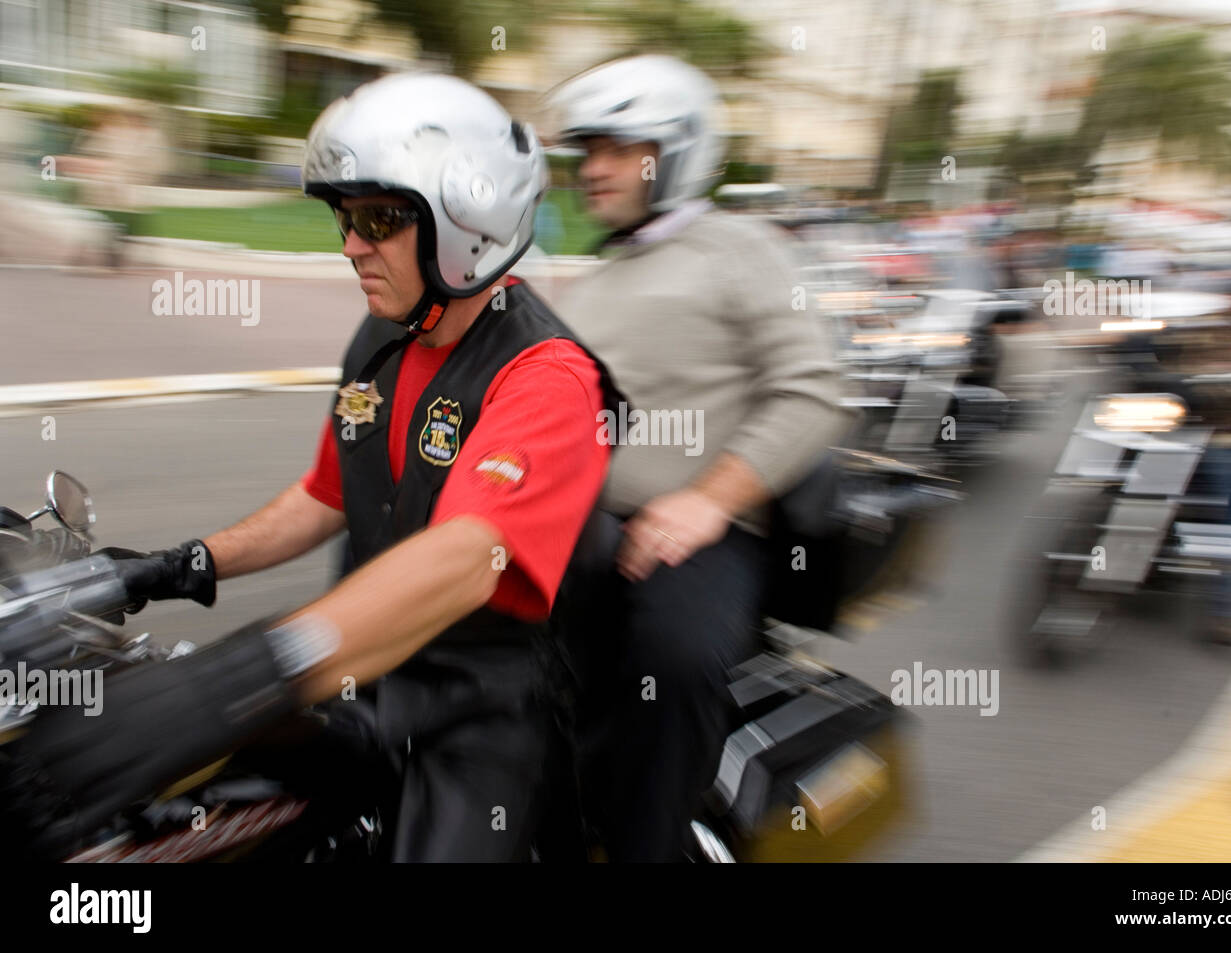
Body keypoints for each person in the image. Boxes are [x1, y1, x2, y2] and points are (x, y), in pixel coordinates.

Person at [0, 73, 623, 862]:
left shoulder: (549, 376)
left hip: (476, 706)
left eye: (377, 218)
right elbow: (326, 494)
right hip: (357, 678)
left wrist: (234, 679)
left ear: (471, 216)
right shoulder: (385, 338)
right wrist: (177, 565)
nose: (350, 243)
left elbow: (468, 555)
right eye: (344, 216)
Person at [544, 55, 855, 861]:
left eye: (618, 149)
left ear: (676, 151)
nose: (594, 169)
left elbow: (814, 392)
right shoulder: (606, 270)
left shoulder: (740, 248)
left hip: (704, 534)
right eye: (588, 152)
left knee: (670, 660)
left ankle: (643, 844)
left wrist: (705, 499)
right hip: (578, 526)